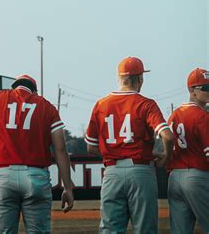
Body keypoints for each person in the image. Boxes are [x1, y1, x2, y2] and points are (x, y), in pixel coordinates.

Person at [0, 74, 74, 233]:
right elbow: (60, 148)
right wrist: (68, 186)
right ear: (34, 91)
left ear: (14, 87)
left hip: (3, 174)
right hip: (36, 175)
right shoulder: (47, 106)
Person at [85, 57, 174, 234]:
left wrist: (114, 153)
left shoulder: (101, 104)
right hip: (140, 171)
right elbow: (168, 136)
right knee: (144, 229)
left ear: (119, 78)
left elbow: (91, 147)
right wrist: (165, 155)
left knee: (110, 229)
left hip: (112, 172)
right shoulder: (146, 103)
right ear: (140, 79)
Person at [167, 67, 209, 233]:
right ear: (192, 90)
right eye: (205, 88)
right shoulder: (203, 116)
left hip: (174, 178)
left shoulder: (174, 115)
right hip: (197, 176)